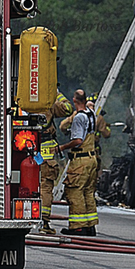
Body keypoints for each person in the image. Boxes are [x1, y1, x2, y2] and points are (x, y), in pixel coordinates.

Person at [52, 90, 99, 236]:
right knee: (88, 192)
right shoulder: (91, 113)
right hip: (92, 159)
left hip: (81, 160)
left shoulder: (79, 118)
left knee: (74, 192)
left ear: (74, 100)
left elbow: (78, 141)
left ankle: (77, 226)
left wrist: (63, 147)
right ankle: (90, 226)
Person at [37, 91, 73, 235]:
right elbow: (68, 108)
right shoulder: (47, 101)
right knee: (45, 186)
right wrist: (56, 93)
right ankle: (43, 221)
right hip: (45, 152)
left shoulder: (20, 99)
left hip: (25, 148)